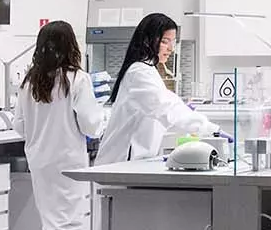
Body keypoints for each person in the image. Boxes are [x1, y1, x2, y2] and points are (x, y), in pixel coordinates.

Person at [14, 21, 107, 230]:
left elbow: (18, 125)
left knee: (51, 223)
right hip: (68, 161)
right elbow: (91, 125)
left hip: (39, 161)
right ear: (71, 46)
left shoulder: (30, 81)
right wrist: (103, 118)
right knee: (68, 224)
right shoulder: (77, 79)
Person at [95, 13, 221, 165]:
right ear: (147, 41)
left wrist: (186, 111)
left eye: (173, 42)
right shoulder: (139, 72)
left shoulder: (147, 70)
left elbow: (166, 101)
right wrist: (208, 128)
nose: (171, 48)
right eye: (164, 41)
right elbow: (164, 106)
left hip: (133, 163)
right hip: (121, 164)